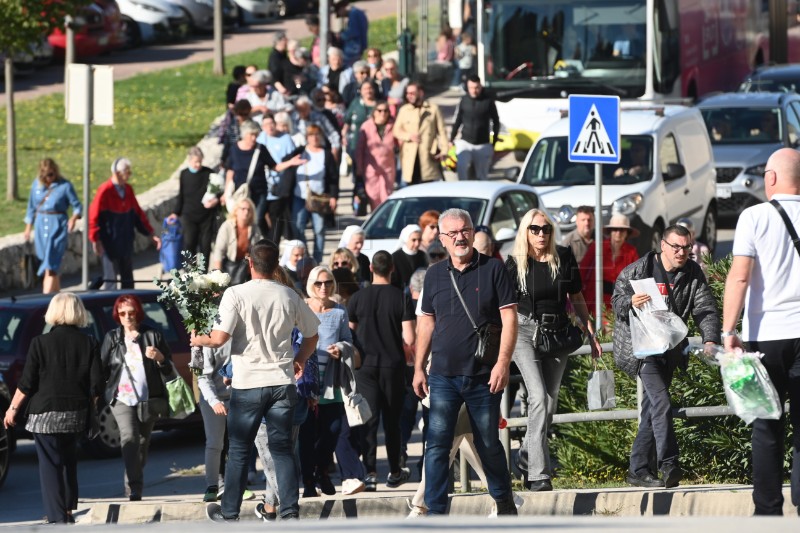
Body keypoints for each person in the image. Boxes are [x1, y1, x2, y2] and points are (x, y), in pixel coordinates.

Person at [192, 239, 321, 522]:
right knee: (282, 450)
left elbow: (219, 338)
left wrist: (197, 337)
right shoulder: (289, 295)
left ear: (250, 263)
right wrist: (299, 359)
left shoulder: (236, 294)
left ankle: (229, 513)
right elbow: (312, 335)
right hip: (281, 382)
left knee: (238, 451)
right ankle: (289, 511)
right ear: (276, 264)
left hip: (248, 383)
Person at [412, 208, 518, 515]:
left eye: (465, 230)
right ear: (442, 239)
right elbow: (426, 325)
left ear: (472, 232)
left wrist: (502, 364)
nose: (461, 237)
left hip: (484, 375)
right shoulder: (432, 275)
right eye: (453, 233)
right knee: (436, 445)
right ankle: (435, 512)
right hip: (442, 375)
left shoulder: (494, 269)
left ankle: (504, 502)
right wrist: (419, 367)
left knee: (489, 444)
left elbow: (509, 319)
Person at [721, 147, 800, 515]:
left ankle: (767, 510)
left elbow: (739, 276)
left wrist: (727, 331)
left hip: (764, 339)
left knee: (766, 427)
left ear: (770, 178)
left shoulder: (754, 216)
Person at [611, 224, 720, 489]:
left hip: (669, 350)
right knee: (660, 402)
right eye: (676, 247)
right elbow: (616, 300)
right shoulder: (640, 269)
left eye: (686, 247)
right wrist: (630, 302)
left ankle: (637, 469)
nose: (682, 252)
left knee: (651, 409)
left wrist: (709, 338)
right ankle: (669, 464)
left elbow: (705, 308)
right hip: (643, 350)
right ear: (663, 245)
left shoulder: (692, 273)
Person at [506, 209, 600, 491]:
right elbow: (505, 308)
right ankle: (538, 474)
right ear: (526, 231)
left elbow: (577, 296)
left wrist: (590, 330)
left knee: (549, 401)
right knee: (536, 397)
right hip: (524, 332)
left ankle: (525, 454)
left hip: (557, 332)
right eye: (535, 229)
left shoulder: (563, 256)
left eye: (545, 229)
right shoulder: (514, 263)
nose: (541, 234)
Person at [3, 293, 102, 524]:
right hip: (75, 413)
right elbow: (97, 385)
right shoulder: (89, 342)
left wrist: (12, 409)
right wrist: (91, 409)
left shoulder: (40, 342)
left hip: (44, 413)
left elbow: (26, 383)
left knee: (50, 464)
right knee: (69, 459)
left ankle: (57, 518)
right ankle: (67, 510)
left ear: (54, 312)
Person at [347, 251, 416, 491]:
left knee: (368, 421)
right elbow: (409, 337)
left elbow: (350, 332)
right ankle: (395, 471)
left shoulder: (357, 298)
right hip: (392, 365)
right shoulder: (401, 298)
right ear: (393, 269)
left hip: (365, 366)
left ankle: (370, 473)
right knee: (392, 422)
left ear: (371, 269)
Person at [100, 294, 174, 501]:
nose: (127, 317)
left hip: (148, 399)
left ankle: (132, 479)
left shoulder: (152, 335)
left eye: (131, 312)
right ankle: (134, 488)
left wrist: (159, 358)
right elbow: (101, 368)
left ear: (138, 313)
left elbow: (169, 366)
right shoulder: (112, 338)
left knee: (142, 444)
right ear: (118, 315)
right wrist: (99, 392)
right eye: (122, 313)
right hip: (121, 397)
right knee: (129, 437)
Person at [299, 266, 364, 496]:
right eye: (318, 283)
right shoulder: (302, 308)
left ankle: (321, 471)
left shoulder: (339, 312)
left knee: (332, 431)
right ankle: (309, 482)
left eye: (328, 283)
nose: (324, 287)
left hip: (331, 381)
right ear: (310, 285)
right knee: (307, 435)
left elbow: (348, 340)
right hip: (306, 381)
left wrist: (341, 348)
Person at [224, 120, 305, 240]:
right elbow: (230, 170)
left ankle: (259, 245)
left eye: (256, 135)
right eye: (251, 135)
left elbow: (275, 166)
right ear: (244, 135)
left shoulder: (260, 149)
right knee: (241, 220)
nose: (253, 138)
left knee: (257, 219)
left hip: (259, 192)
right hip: (241, 194)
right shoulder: (234, 149)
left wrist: (291, 162)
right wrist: (226, 191)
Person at [88, 158, 161, 290]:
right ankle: (110, 308)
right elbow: (93, 216)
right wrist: (95, 239)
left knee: (127, 279)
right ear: (117, 173)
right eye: (127, 171)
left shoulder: (128, 190)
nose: (129, 175)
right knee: (111, 280)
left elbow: (138, 215)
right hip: (109, 242)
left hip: (126, 241)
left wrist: (150, 234)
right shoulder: (105, 190)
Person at [23, 158, 82, 294]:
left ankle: (46, 298)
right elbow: (31, 207)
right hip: (40, 226)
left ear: (55, 172)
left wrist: (73, 218)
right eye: (45, 175)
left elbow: (77, 206)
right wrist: (28, 228)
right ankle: (56, 298)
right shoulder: (36, 185)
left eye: (51, 174)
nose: (48, 178)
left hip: (57, 226)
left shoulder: (65, 186)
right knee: (49, 265)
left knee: (50, 264)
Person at [290, 124, 339, 263]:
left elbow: (333, 178)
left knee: (319, 230)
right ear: (307, 137)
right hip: (299, 197)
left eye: (317, 134)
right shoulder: (300, 151)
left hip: (319, 198)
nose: (315, 138)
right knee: (298, 228)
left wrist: (334, 196)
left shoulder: (326, 154)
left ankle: (316, 261)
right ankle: (303, 258)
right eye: (311, 135)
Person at [580, 214, 640, 315]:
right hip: (597, 300)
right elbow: (582, 271)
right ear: (610, 232)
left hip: (621, 302)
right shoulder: (597, 247)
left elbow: (638, 277)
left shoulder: (631, 252)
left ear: (627, 233)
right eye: (615, 229)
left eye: (622, 230)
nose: (618, 233)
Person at [168, 147, 218, 269]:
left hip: (206, 216)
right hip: (188, 215)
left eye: (200, 161)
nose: (198, 164)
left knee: (205, 246)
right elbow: (181, 195)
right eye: (195, 162)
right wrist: (175, 212)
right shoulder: (184, 174)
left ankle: (203, 276)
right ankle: (190, 274)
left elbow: (217, 192)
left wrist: (215, 201)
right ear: (189, 161)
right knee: (189, 244)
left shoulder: (209, 173)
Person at [197, 341, 231, 503]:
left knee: (239, 444)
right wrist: (214, 401)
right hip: (212, 398)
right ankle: (212, 485)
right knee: (215, 444)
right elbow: (202, 376)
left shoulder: (240, 332)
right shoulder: (204, 341)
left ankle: (237, 484)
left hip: (238, 397)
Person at [395, 83, 449, 184]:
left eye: (412, 93)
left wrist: (445, 150)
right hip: (410, 156)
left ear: (420, 93)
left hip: (427, 155)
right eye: (407, 93)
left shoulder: (433, 109)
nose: (409, 96)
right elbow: (396, 130)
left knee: (428, 187)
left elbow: (442, 131)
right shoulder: (404, 110)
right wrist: (408, 136)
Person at [449, 75, 499, 181]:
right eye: (471, 88)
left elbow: (496, 121)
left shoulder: (488, 101)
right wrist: (451, 139)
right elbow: (458, 120)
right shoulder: (464, 100)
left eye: (476, 88)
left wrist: (493, 143)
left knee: (482, 177)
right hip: (465, 142)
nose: (474, 90)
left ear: (480, 86)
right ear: (467, 87)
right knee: (461, 168)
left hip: (483, 144)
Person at [257, 113, 297, 242]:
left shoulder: (285, 138)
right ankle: (267, 239)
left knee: (276, 217)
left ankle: (273, 243)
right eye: (266, 125)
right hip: (263, 185)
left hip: (279, 185)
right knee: (259, 217)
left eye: (271, 124)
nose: (269, 127)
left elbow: (291, 160)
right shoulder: (260, 139)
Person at [210, 198, 262, 283]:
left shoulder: (255, 229)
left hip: (247, 269)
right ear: (236, 210)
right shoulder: (227, 226)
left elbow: (259, 250)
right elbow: (219, 250)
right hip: (229, 266)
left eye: (249, 210)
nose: (246, 212)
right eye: (243, 209)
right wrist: (217, 275)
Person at [355, 102, 396, 211]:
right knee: (374, 196)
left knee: (386, 197)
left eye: (386, 111)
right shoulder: (366, 126)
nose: (383, 113)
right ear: (374, 112)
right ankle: (377, 221)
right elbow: (359, 149)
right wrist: (359, 168)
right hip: (371, 169)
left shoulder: (393, 125)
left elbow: (400, 143)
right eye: (379, 110)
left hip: (388, 168)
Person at [343, 80, 378, 164]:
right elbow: (347, 121)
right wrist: (344, 136)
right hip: (356, 143)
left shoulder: (379, 106)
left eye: (370, 88)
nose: (368, 91)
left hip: (374, 144)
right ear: (361, 91)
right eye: (365, 89)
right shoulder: (356, 103)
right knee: (357, 170)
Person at [392, 224, 428, 290]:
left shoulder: (423, 255)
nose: (417, 244)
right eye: (413, 240)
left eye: (419, 240)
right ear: (406, 239)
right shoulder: (395, 257)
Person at [333, 0, 368, 66]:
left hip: (353, 50)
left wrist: (340, 35)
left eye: (339, 13)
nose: (342, 16)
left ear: (342, 8)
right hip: (359, 47)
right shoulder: (357, 12)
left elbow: (353, 32)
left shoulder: (353, 14)